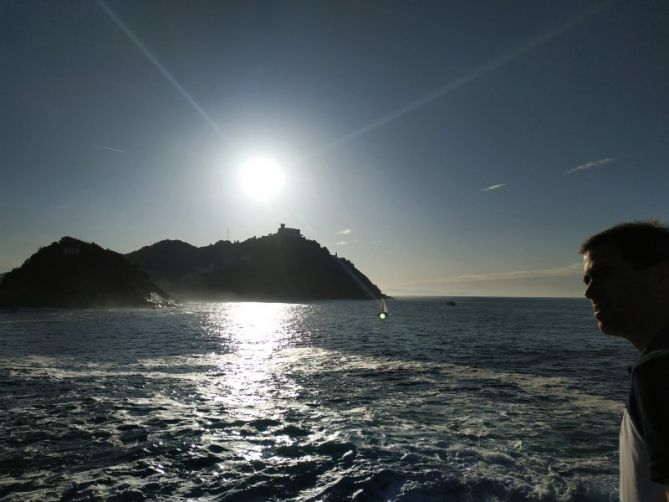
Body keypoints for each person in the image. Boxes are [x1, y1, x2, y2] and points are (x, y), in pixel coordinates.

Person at [580, 221, 669, 501]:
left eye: (603, 275)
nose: (589, 293)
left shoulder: (660, 368)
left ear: (660, 276)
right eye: (587, 280)